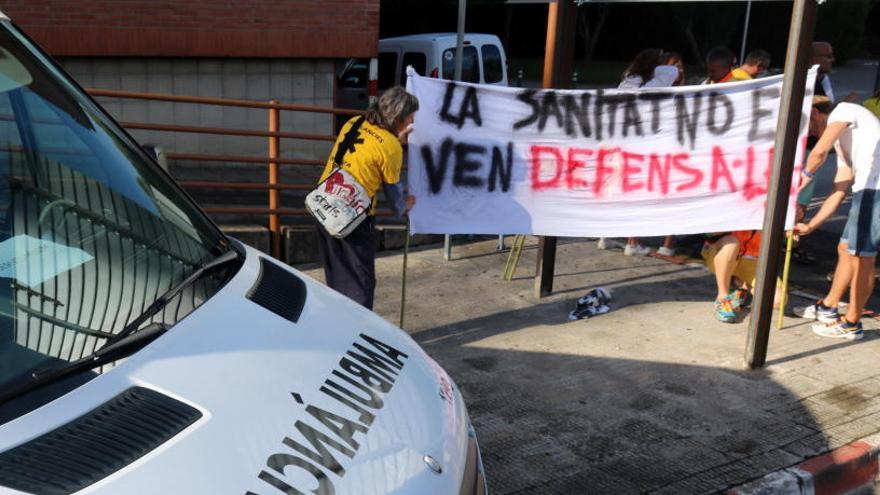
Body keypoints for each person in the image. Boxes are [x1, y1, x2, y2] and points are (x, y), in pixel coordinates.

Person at [315, 87, 418, 309]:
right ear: (398, 118)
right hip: (352, 218)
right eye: (410, 117)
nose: (412, 122)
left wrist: (396, 140)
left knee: (337, 275)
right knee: (361, 282)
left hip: (323, 204)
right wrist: (405, 205)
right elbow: (395, 198)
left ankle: (337, 322)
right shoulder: (391, 147)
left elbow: (368, 151)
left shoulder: (354, 122)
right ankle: (357, 330)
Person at [795, 97, 880, 340]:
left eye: (808, 127)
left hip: (875, 189)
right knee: (846, 248)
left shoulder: (843, 111)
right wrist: (811, 225)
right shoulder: (845, 148)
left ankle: (852, 322)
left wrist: (805, 177)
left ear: (814, 113)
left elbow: (819, 152)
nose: (810, 134)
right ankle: (830, 306)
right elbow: (838, 191)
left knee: (862, 257)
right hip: (867, 189)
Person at [598, 48, 678, 256]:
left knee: (617, 194)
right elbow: (672, 73)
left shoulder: (626, 82)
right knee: (635, 196)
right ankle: (632, 243)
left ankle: (606, 235)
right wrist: (663, 64)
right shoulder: (655, 83)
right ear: (655, 66)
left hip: (618, 147)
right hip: (641, 149)